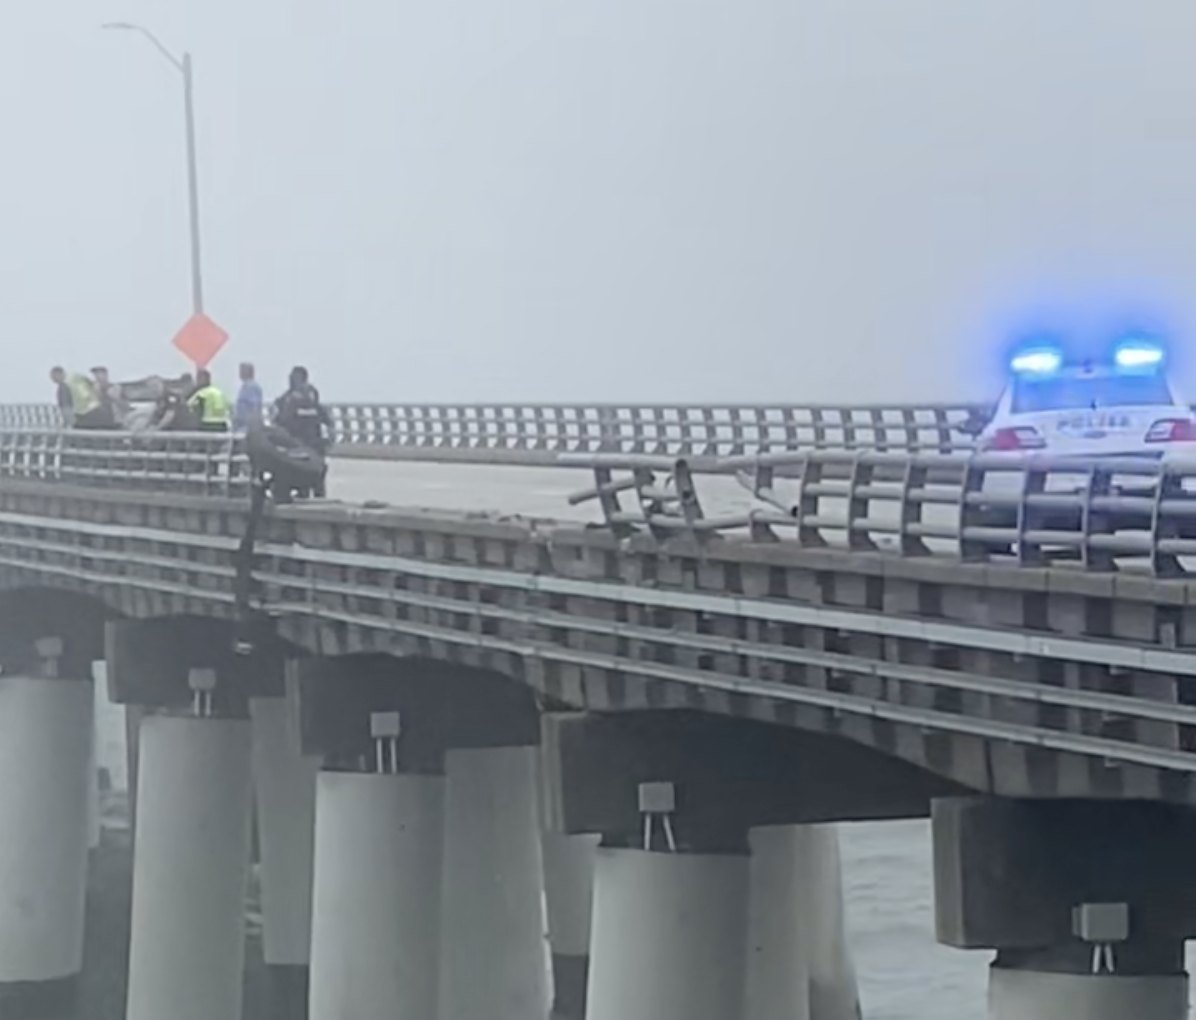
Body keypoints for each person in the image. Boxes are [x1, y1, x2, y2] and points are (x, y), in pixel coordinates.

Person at [273, 366, 331, 496]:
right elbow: (327, 421)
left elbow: (281, 420)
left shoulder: (289, 400)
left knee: (298, 475)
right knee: (317, 480)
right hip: (313, 446)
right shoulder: (313, 401)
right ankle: (317, 497)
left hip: (299, 445)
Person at [233, 362, 263, 431]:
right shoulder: (244, 386)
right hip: (241, 424)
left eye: (242, 370)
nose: (240, 373)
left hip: (247, 427)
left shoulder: (251, 387)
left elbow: (254, 406)